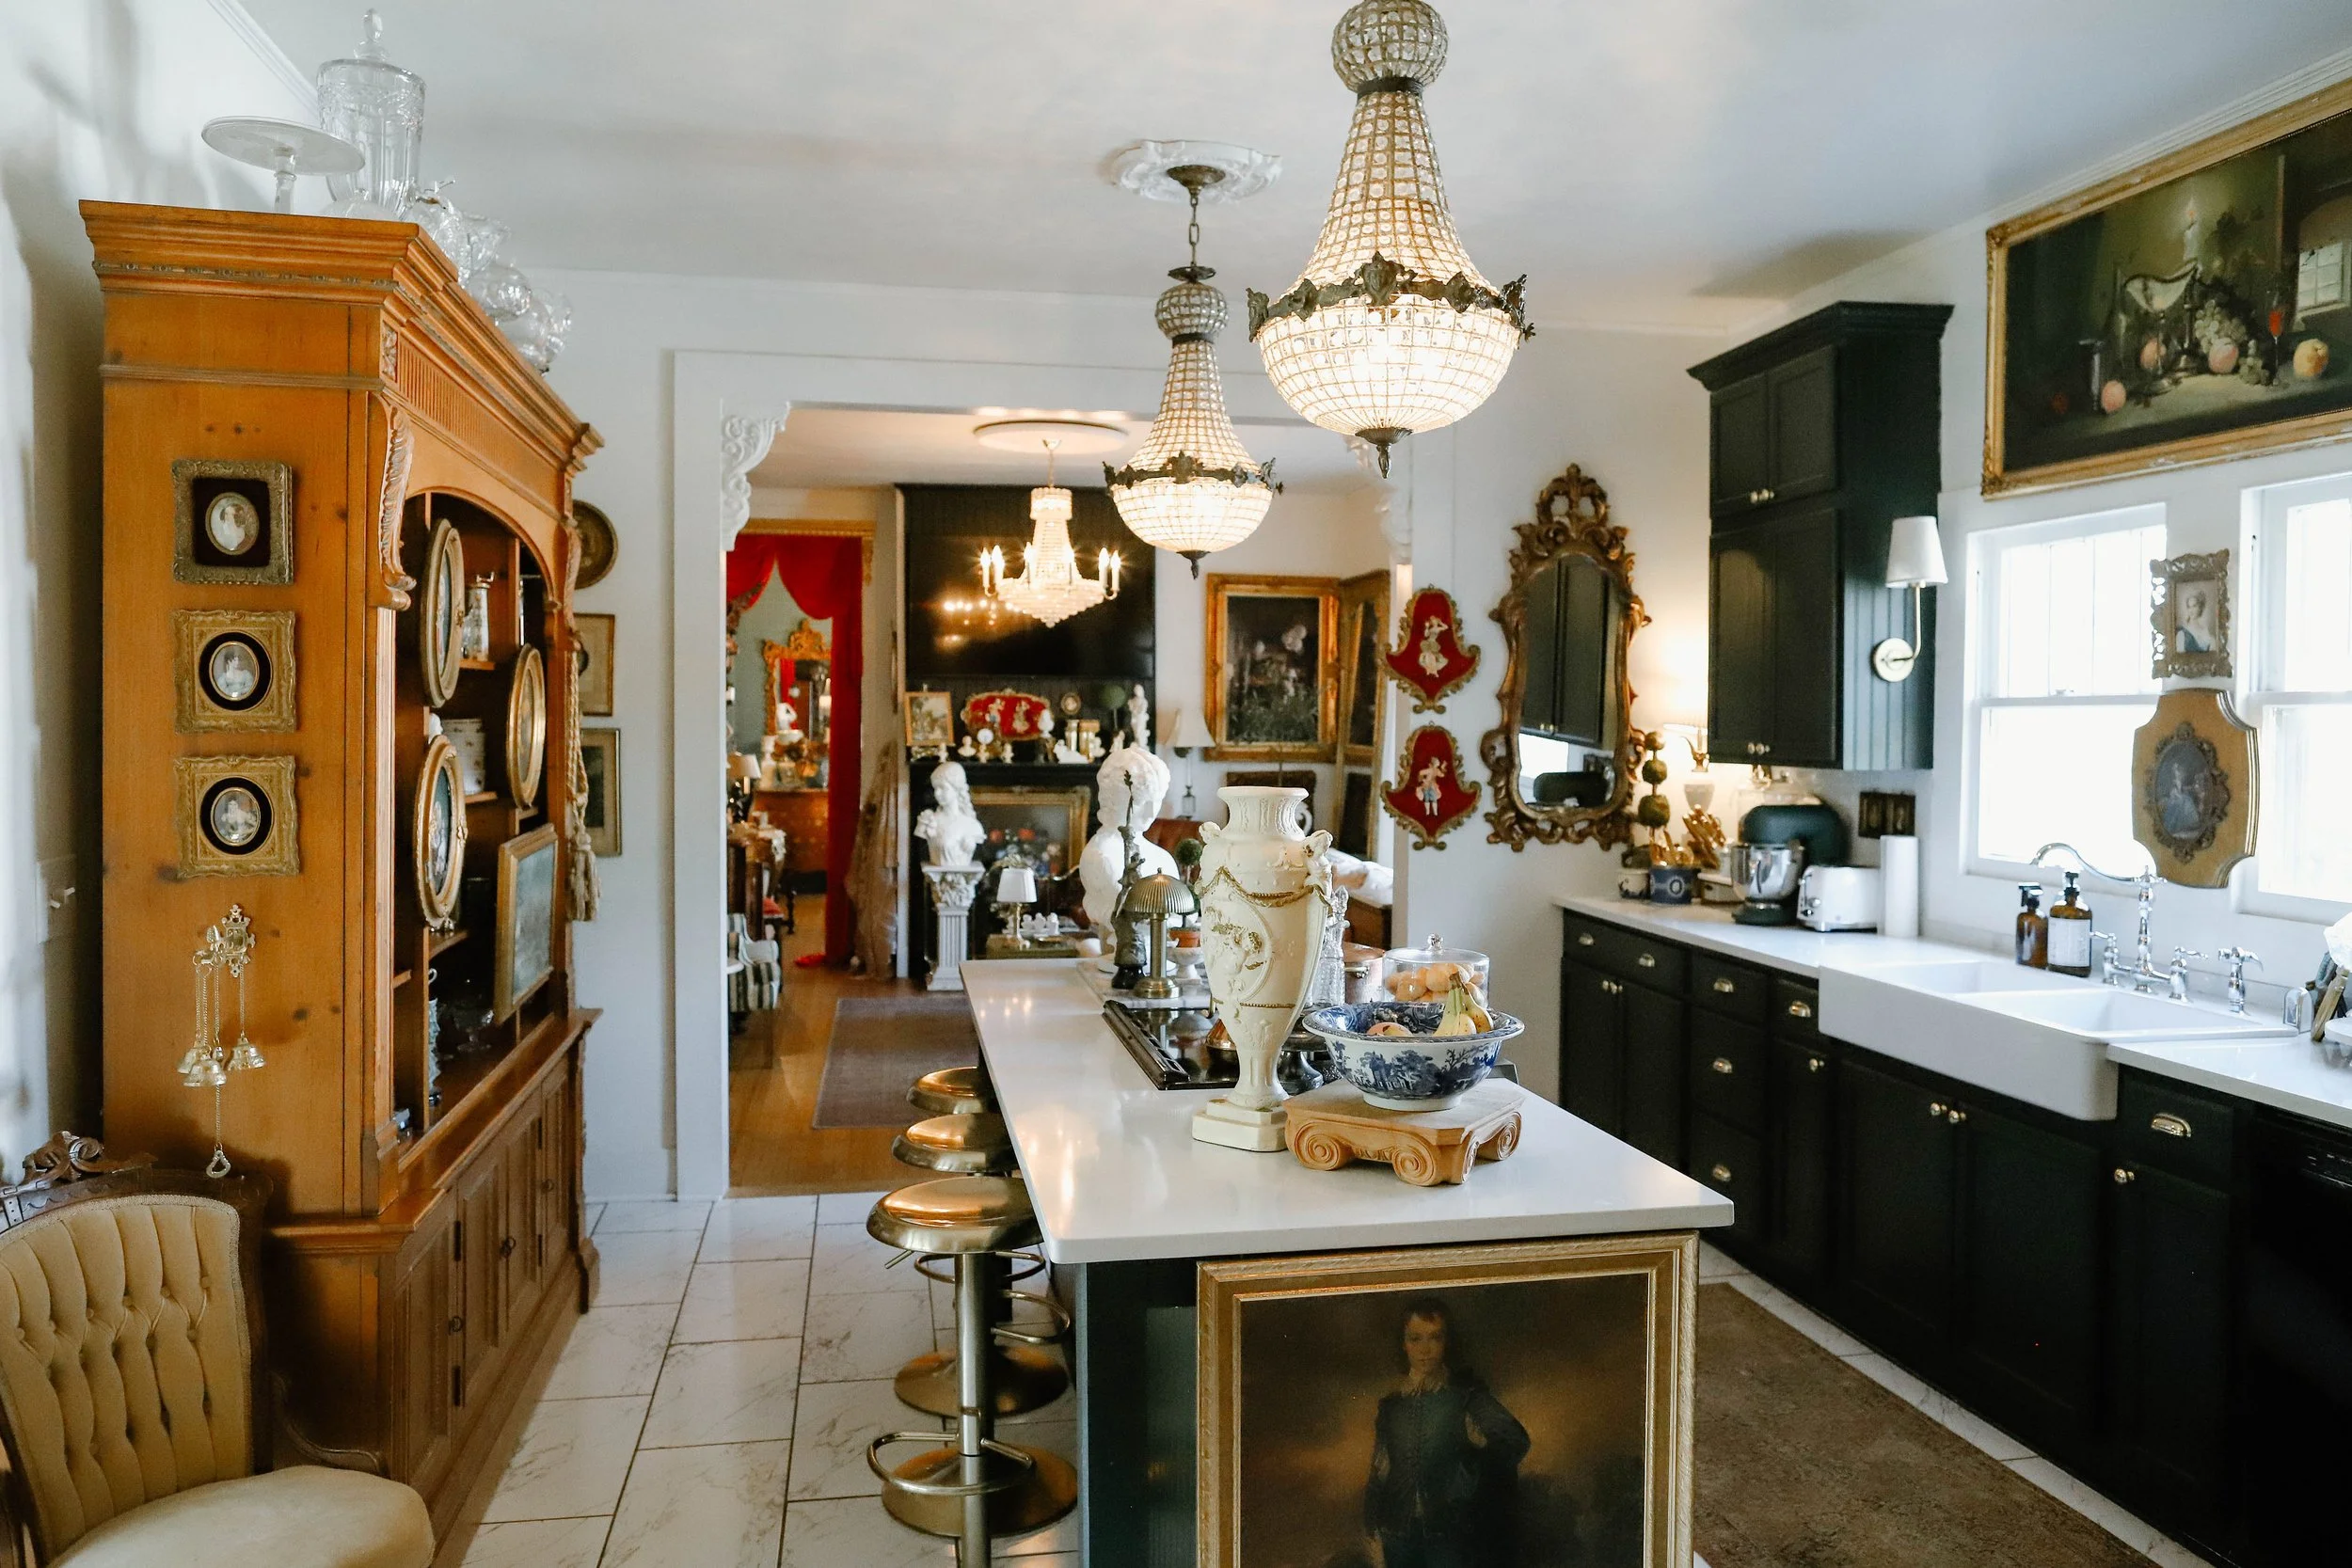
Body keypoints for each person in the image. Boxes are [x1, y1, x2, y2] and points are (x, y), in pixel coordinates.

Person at [1363, 1297, 1530, 1568]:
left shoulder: (1465, 1396)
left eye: (1435, 1338)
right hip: (1396, 1536)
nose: (1425, 1350)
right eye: (1415, 1339)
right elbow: (1379, 1471)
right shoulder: (1391, 1407)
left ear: (1446, 1342)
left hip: (1449, 1535)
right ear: (1403, 1344)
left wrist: (1468, 1473)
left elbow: (1515, 1440)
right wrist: (1372, 1530)